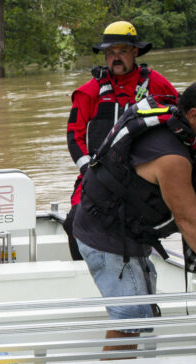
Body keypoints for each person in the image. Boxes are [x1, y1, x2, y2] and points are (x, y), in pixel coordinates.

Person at [71, 77, 196, 353]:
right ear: (194, 115)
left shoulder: (171, 117)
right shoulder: (172, 159)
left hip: (107, 223)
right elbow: (188, 220)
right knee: (129, 320)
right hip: (107, 238)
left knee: (138, 313)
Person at [64, 21, 179, 260]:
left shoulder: (156, 83)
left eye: (122, 51)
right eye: (110, 53)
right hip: (96, 173)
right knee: (74, 222)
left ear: (135, 52)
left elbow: (183, 119)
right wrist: (88, 170)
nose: (115, 58)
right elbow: (74, 135)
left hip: (142, 175)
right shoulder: (89, 91)